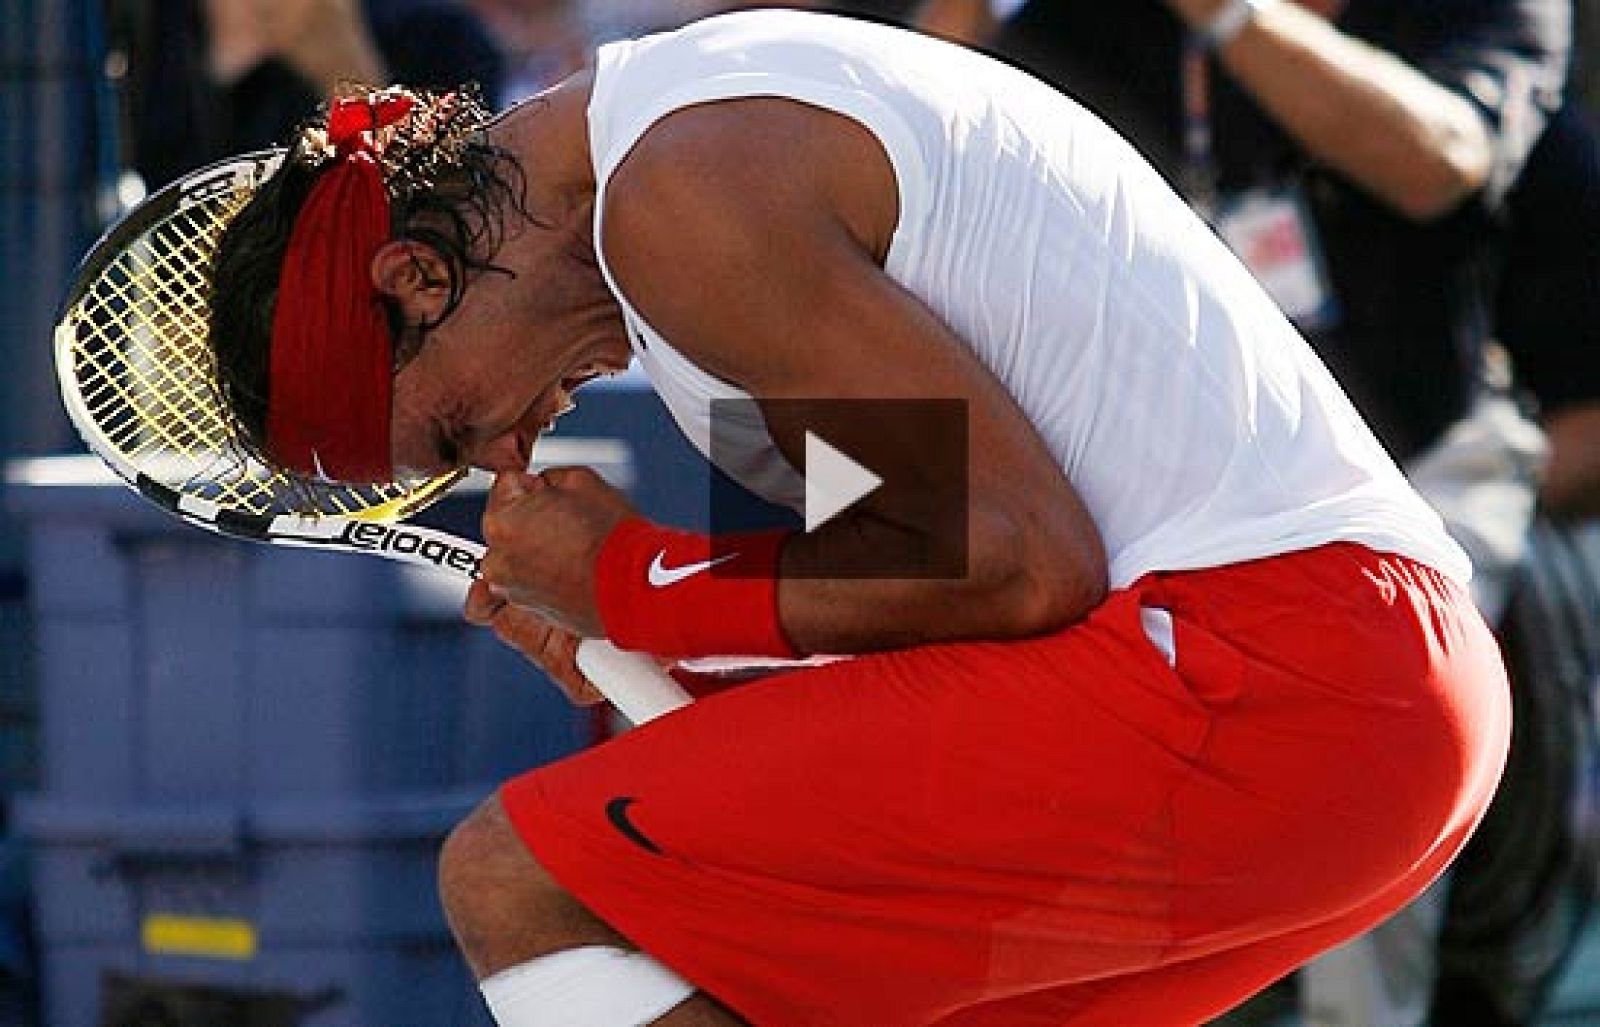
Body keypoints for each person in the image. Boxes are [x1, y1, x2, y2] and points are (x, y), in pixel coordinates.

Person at [202, 10, 1511, 1024]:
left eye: (453, 431)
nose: (508, 452)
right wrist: (677, 657)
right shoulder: (682, 168)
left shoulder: (680, 192)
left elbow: (1014, 562)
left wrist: (636, 583)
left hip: (1289, 669)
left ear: (417, 278)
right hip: (1368, 699)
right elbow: (950, 596)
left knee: (520, 878)